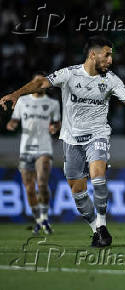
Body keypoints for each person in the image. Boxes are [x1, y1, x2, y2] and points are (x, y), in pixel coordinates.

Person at [0, 36, 125, 247]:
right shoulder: (69, 74)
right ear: (93, 54)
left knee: (98, 175)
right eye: (107, 54)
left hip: (97, 135)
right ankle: (97, 230)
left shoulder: (111, 80)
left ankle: (102, 223)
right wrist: (16, 94)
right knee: (77, 190)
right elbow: (41, 82)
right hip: (71, 139)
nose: (111, 60)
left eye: (111, 55)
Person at [6, 73, 60, 235]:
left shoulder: (52, 103)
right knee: (29, 188)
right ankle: (38, 220)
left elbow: (57, 123)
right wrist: (11, 124)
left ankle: (45, 218)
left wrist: (54, 128)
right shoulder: (23, 101)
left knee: (42, 184)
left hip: (44, 149)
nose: (38, 84)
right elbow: (15, 120)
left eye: (40, 82)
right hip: (26, 149)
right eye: (35, 81)